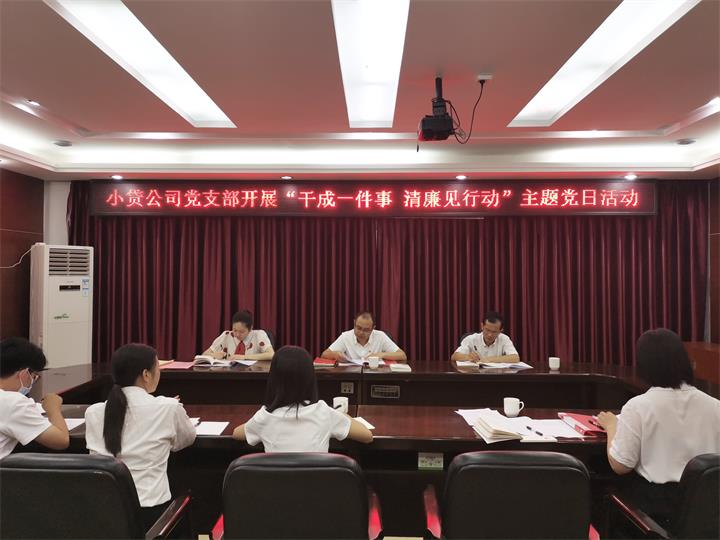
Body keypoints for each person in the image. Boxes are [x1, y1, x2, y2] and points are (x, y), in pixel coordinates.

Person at [596, 328, 720, 527]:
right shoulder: (715, 406)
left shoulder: (638, 406)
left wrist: (612, 426)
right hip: (708, 509)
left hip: (656, 513)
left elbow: (621, 465)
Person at [84, 343, 196, 530]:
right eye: (158, 368)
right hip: (151, 513)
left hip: (104, 511)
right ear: (146, 374)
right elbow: (186, 439)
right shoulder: (167, 407)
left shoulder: (94, 412)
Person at [233, 346, 373, 451]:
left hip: (276, 483)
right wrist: (340, 415)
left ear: (274, 380)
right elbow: (367, 436)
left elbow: (236, 434)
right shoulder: (323, 412)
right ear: (310, 378)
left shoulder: (264, 417)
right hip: (318, 483)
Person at [0, 337, 69, 459]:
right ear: (25, 373)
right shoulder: (13, 402)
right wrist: (53, 409)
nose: (33, 381)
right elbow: (61, 441)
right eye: (34, 376)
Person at [321, 311, 407, 362]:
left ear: (373, 328)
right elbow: (324, 354)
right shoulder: (346, 336)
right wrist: (335, 354)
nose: (361, 332)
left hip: (376, 376)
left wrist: (381, 355)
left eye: (366, 330)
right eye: (358, 328)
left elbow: (402, 355)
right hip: (351, 377)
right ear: (354, 323)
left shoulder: (380, 336)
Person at [203, 310, 274, 361]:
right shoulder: (226, 335)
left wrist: (244, 357)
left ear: (250, 329)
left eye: (241, 332)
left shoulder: (259, 335)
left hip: (252, 373)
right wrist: (214, 355)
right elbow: (204, 354)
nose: (237, 334)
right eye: (235, 330)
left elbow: (271, 354)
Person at [451, 311, 520, 363]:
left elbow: (515, 358)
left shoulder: (504, 339)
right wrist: (467, 357)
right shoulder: (471, 339)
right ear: (482, 326)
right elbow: (454, 356)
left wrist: (489, 359)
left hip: (497, 375)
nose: (490, 335)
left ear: (500, 331)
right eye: (487, 330)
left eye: (494, 332)